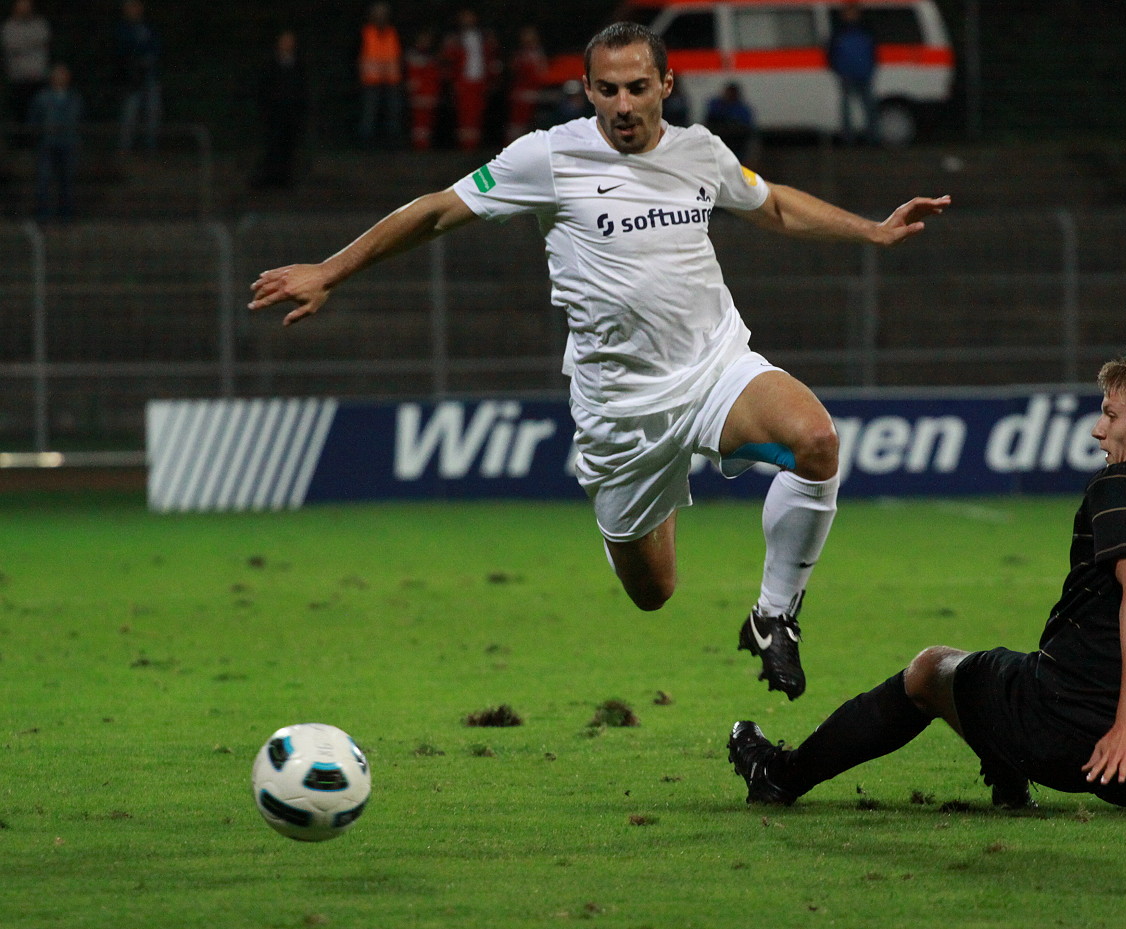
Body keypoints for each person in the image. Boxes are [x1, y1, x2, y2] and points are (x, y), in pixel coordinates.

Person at [248, 22, 950, 701]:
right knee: (655, 593)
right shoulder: (547, 157)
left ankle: (774, 613)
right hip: (621, 410)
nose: (622, 104)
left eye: (637, 87)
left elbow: (772, 207)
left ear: (665, 85)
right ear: (586, 90)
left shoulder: (700, 151)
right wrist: (331, 271)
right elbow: (436, 211)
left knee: (818, 441)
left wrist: (874, 230)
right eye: (607, 90)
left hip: (715, 369)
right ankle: (646, 501)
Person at [728, 348, 1126, 814]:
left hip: (1080, 737)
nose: (1097, 431)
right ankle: (1008, 785)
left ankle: (779, 776)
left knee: (933, 669)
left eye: (1110, 414)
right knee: (996, 678)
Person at [253, 29, 309, 189]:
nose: (287, 45)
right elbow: (264, 88)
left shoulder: (298, 64)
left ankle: (286, 180)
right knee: (273, 147)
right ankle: (271, 179)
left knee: (289, 148)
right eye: (284, 41)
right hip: (274, 114)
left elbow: (302, 88)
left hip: (292, 114)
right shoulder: (271, 63)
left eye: (290, 41)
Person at [442, 7, 500, 150]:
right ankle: (465, 146)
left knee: (478, 113)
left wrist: (492, 78)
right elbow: (448, 59)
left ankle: (474, 146)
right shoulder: (455, 38)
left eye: (470, 16)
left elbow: (492, 57)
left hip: (480, 80)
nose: (467, 20)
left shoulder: (484, 37)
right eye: (464, 17)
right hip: (463, 80)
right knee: (464, 114)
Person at [29, 61, 81, 221]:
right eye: (57, 74)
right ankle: (43, 215)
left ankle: (65, 216)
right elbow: (33, 120)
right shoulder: (42, 98)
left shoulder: (75, 98)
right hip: (48, 144)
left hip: (68, 143)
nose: (60, 77)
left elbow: (79, 121)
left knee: (67, 181)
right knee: (44, 180)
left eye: (63, 74)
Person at [828, 3, 878, 145]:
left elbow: (874, 53)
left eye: (853, 12)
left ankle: (873, 138)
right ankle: (848, 139)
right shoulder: (838, 31)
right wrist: (838, 70)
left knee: (868, 108)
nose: (851, 15)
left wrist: (871, 69)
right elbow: (830, 54)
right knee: (847, 109)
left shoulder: (866, 30)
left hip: (864, 74)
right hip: (846, 75)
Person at [115, 0, 161, 153]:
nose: (134, 9)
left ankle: (150, 151)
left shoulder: (148, 27)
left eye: (136, 6)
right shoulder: (122, 28)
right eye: (130, 6)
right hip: (132, 78)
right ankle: (125, 150)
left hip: (150, 76)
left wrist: (144, 55)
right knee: (130, 114)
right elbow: (125, 50)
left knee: (152, 114)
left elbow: (156, 48)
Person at [357, 1, 403, 147]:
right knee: (369, 115)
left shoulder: (393, 32)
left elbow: (398, 56)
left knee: (393, 114)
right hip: (371, 80)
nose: (380, 15)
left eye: (383, 12)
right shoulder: (365, 32)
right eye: (377, 12)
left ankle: (392, 145)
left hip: (392, 80)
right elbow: (358, 56)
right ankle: (366, 146)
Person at [2, 0, 50, 138]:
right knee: (19, 114)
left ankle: (38, 142)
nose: (24, 10)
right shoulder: (9, 26)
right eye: (21, 7)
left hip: (38, 78)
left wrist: (22, 44)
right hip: (18, 78)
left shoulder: (40, 23)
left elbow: (44, 40)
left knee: (39, 113)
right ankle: (20, 147)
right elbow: (10, 45)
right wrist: (31, 43)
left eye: (26, 7)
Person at [505, 25, 547, 142]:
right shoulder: (520, 55)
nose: (529, 39)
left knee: (535, 121)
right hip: (522, 93)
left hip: (537, 92)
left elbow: (543, 72)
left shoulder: (539, 53)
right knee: (517, 123)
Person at [405, 27, 443, 151]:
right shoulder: (413, 55)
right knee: (418, 121)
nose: (424, 42)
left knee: (428, 121)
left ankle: (425, 145)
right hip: (418, 93)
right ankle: (418, 145)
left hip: (430, 92)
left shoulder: (433, 56)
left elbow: (435, 76)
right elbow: (411, 75)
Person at [705, 81, 756, 163]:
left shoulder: (742, 109)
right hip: (718, 143)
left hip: (737, 145)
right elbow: (709, 123)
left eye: (732, 93)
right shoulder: (716, 106)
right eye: (728, 92)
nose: (729, 95)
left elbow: (747, 128)